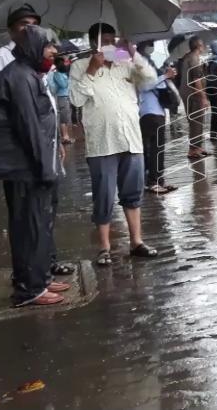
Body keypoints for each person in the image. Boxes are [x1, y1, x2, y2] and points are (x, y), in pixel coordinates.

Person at [0, 25, 70, 307]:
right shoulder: (21, 78)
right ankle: (30, 289)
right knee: (29, 227)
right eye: (48, 46)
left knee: (38, 226)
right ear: (33, 48)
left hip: (31, 165)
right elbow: (29, 128)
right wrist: (46, 169)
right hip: (26, 168)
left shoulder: (29, 74)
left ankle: (39, 279)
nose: (53, 51)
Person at [69, 23, 160, 266]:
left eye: (112, 40)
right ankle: (104, 248)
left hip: (130, 139)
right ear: (93, 43)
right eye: (104, 41)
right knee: (104, 196)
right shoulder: (80, 66)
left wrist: (133, 54)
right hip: (102, 143)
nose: (109, 45)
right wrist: (92, 69)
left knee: (133, 194)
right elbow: (76, 100)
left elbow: (150, 80)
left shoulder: (124, 61)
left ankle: (136, 242)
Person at [136, 41, 179, 195]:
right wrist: (164, 76)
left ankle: (158, 180)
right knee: (152, 149)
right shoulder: (139, 65)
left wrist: (166, 76)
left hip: (158, 112)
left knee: (158, 149)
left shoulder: (152, 66)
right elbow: (144, 86)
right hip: (148, 112)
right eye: (150, 45)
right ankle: (152, 182)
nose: (152, 48)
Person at [177, 36, 211, 159]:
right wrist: (204, 98)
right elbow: (196, 80)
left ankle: (197, 147)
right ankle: (193, 150)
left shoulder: (188, 57)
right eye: (202, 44)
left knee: (196, 121)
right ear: (199, 46)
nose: (204, 47)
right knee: (196, 121)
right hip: (193, 94)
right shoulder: (194, 59)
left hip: (188, 93)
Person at [0, 3, 41, 78]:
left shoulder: (39, 55)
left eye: (35, 24)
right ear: (10, 30)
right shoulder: (1, 57)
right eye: (24, 24)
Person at [49, 56, 74, 144]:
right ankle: (65, 136)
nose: (66, 64)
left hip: (66, 96)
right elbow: (63, 85)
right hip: (62, 97)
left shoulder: (62, 73)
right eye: (64, 62)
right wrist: (68, 79)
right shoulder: (57, 74)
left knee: (66, 117)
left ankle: (66, 136)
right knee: (64, 117)